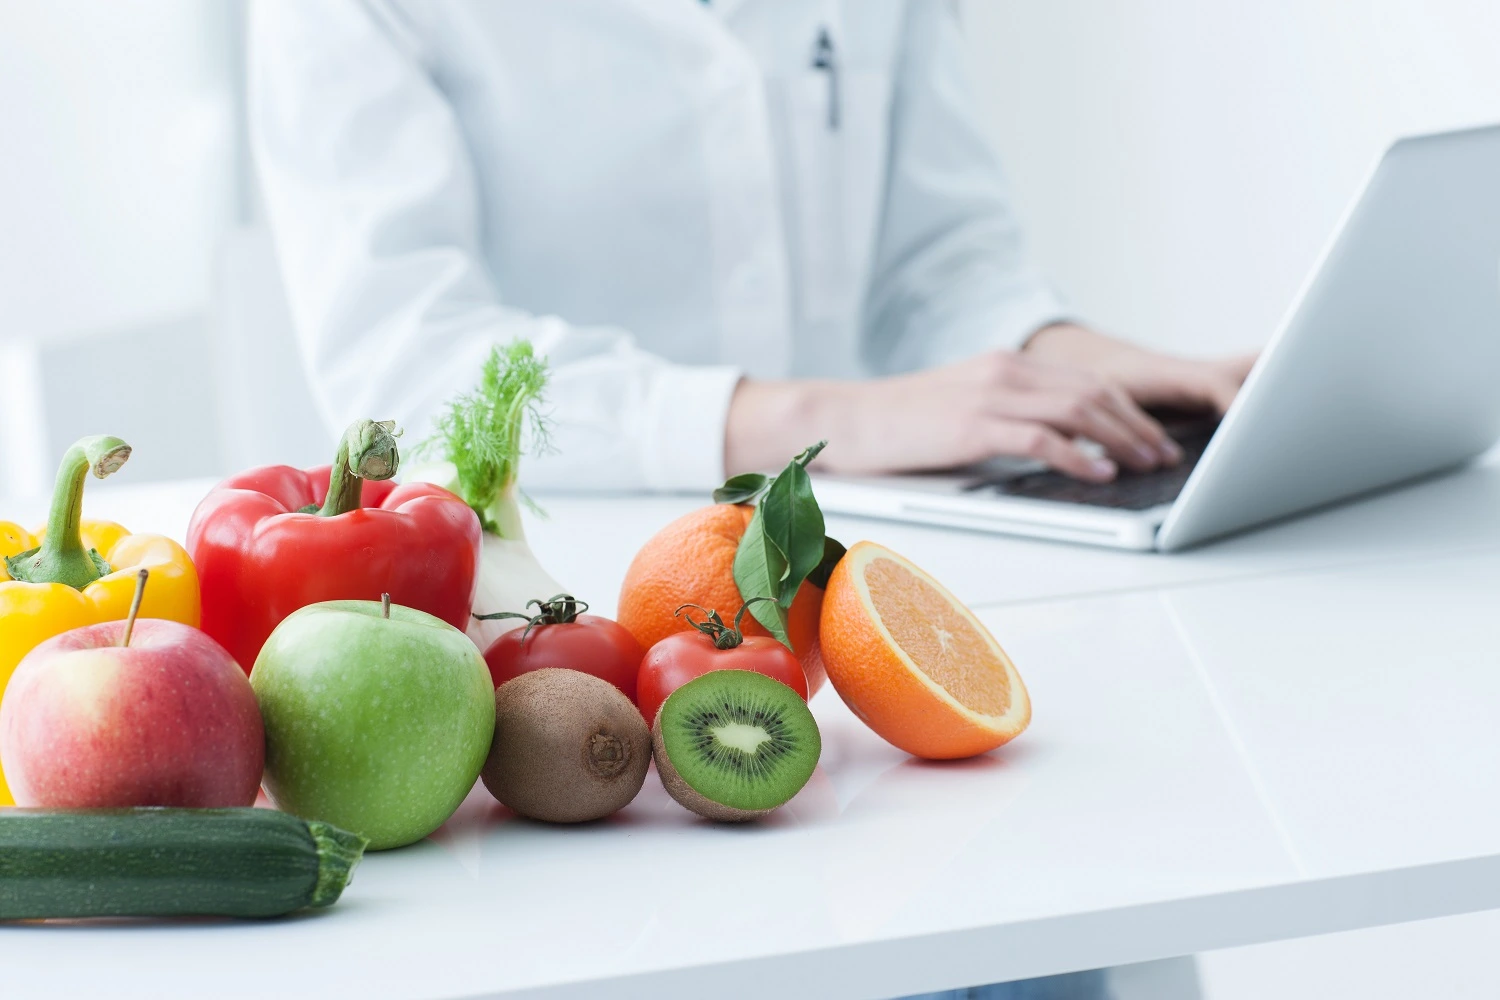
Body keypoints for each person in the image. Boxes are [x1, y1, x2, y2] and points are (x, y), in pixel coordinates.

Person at [250, 3, 1233, 997]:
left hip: (868, 634)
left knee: (1034, 910)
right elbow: (407, 357)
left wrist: (1080, 363)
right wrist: (820, 417)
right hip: (579, 657)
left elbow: (944, 267)